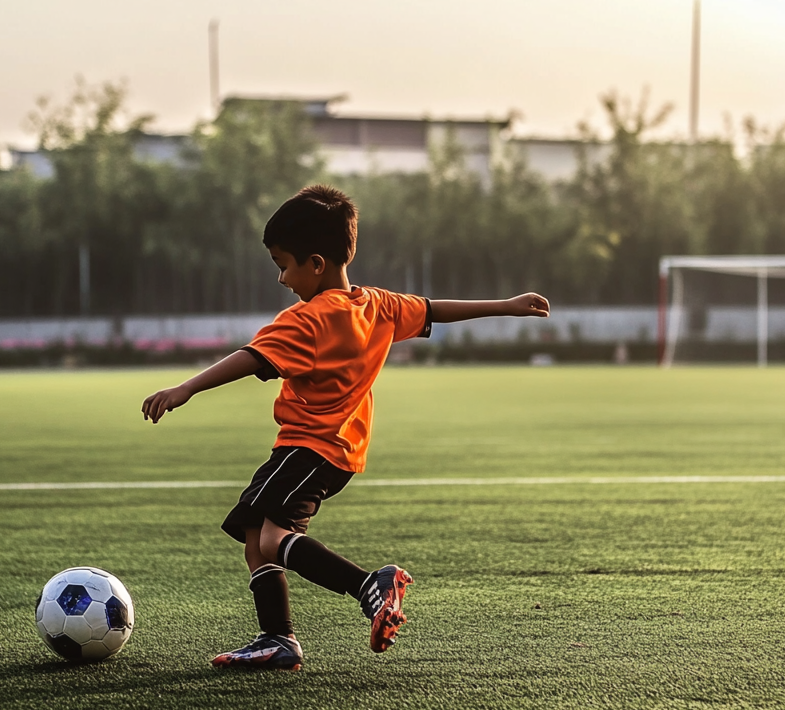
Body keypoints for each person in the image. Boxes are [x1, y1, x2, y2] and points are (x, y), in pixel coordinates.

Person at [141, 184, 549, 671]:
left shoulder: (309, 320)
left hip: (308, 447)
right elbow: (434, 309)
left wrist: (185, 388)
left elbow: (251, 358)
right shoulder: (377, 305)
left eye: (283, 263)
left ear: (315, 263)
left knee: (271, 539)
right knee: (256, 536)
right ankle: (277, 640)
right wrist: (505, 305)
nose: (280, 277)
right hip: (337, 452)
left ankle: (367, 586)